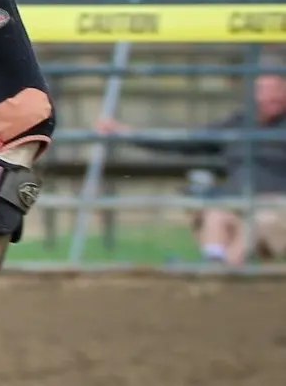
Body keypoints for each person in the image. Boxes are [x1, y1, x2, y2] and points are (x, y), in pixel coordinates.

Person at [97, 71, 286, 266]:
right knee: (215, 215)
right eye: (263, 90)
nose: (270, 97)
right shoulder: (236, 123)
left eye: (277, 90)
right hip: (238, 202)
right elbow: (185, 141)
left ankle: (222, 273)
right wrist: (127, 133)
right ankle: (213, 262)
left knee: (256, 223)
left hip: (277, 208)